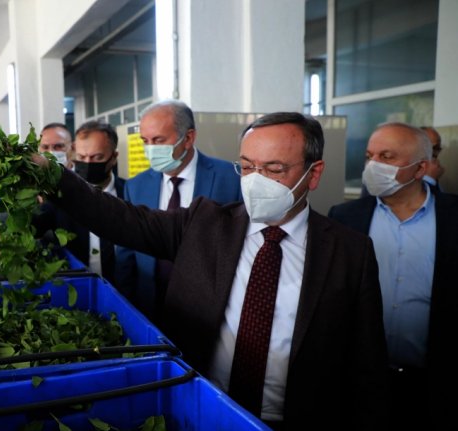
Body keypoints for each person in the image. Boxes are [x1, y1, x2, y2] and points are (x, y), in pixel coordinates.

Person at [34, 112, 389, 430]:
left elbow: (366, 368)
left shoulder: (349, 252)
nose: (256, 180)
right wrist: (53, 175)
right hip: (202, 409)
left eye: (274, 169)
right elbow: (120, 218)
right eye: (248, 167)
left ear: (313, 174)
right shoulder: (204, 224)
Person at [328, 122, 458, 430]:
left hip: (435, 383)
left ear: (420, 168)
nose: (374, 166)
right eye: (370, 156)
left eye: (387, 157)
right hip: (361, 381)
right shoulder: (344, 218)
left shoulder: (454, 217)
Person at [115, 99, 242, 321]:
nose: (150, 149)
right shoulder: (136, 186)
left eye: (159, 140)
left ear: (189, 138)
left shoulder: (232, 179)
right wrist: (126, 309)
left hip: (210, 311)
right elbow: (126, 254)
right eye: (145, 141)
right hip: (150, 305)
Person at [34, 120, 125, 284]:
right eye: (82, 157)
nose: (88, 164)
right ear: (74, 154)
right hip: (77, 289)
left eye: (97, 157)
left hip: (123, 293)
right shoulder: (59, 196)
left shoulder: (128, 193)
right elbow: (35, 224)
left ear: (114, 157)